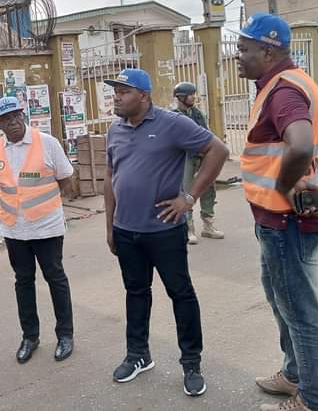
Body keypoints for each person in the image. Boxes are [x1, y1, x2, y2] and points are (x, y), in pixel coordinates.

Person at [103, 69, 228, 397]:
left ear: (143, 96)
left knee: (181, 294)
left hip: (164, 231)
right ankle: (138, 355)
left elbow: (218, 151)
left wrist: (189, 198)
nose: (116, 96)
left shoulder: (173, 123)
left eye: (123, 91)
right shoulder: (114, 130)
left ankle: (191, 363)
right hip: (126, 230)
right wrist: (110, 226)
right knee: (136, 292)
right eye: (115, 90)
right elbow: (109, 177)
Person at [234, 12, 318, 411]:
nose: (237, 56)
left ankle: (312, 398)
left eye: (244, 49)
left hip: (286, 219)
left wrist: (284, 185)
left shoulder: (284, 92)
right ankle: (294, 374)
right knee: (281, 300)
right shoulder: (277, 83)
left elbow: (301, 144)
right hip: (275, 219)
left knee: (299, 311)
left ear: (268, 50)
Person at [0, 96, 75, 365]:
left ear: (23, 115)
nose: (13, 122)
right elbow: (2, 185)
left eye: (16, 115)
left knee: (55, 278)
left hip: (46, 225)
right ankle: (30, 336)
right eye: (6, 119)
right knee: (23, 282)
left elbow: (67, 180)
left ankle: (65, 335)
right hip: (14, 228)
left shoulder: (47, 143)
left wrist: (47, 206)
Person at [172, 81, 224, 244]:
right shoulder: (174, 116)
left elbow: (206, 132)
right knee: (187, 191)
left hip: (203, 156)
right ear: (180, 97)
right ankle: (188, 228)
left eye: (194, 94)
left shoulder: (198, 114)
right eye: (190, 94)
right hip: (186, 157)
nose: (193, 97)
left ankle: (208, 225)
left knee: (208, 188)